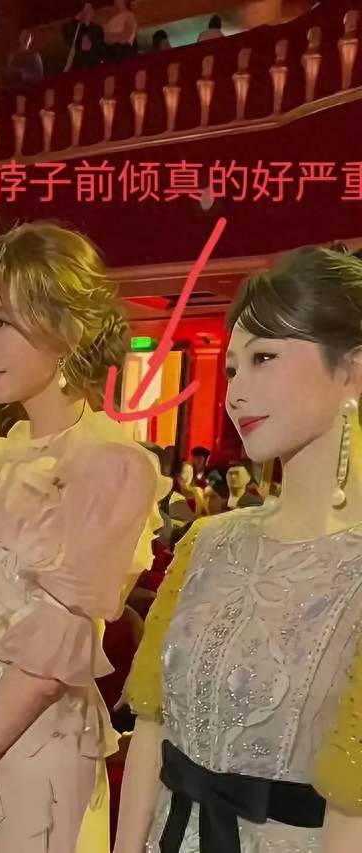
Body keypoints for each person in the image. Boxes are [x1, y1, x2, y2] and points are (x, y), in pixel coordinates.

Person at [0, 223, 168, 853]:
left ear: (65, 329)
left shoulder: (112, 464)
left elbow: (48, 665)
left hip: (34, 749)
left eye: (2, 323)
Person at [115, 245, 362, 853]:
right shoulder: (207, 543)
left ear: (353, 372)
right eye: (230, 370)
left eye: (264, 358)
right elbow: (150, 728)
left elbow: (351, 813)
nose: (235, 393)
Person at [63, 3, 105, 71]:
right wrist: (77, 20)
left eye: (90, 10)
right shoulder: (69, 27)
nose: (88, 12)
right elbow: (71, 39)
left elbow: (99, 47)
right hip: (78, 64)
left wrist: (87, 24)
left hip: (95, 63)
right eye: (86, 10)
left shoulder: (97, 29)